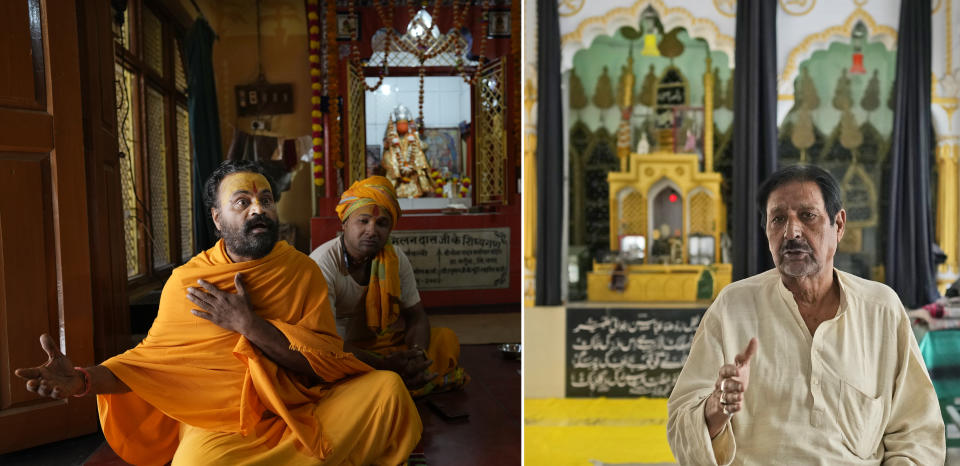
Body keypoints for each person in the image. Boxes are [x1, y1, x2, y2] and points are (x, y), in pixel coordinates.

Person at [14, 160, 421, 465]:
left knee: (387, 392)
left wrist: (249, 325)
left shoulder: (302, 272)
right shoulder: (187, 283)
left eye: (265, 200)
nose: (257, 210)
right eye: (241, 202)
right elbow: (146, 365)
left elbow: (321, 365)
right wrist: (83, 380)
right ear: (217, 218)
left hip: (301, 407)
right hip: (224, 425)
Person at [667, 165, 945, 465]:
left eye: (807, 216)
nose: (792, 231)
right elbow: (680, 426)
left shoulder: (881, 310)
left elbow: (918, 434)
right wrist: (716, 407)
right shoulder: (732, 307)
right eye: (778, 219)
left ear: (838, 225)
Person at [309, 176, 468, 397]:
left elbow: (416, 316)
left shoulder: (394, 258)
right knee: (324, 365)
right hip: (341, 352)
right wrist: (387, 364)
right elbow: (325, 343)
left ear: (390, 228)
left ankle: (400, 381)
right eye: (363, 221)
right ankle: (404, 383)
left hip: (379, 346)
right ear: (344, 224)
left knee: (444, 339)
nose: (372, 230)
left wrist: (416, 355)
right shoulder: (323, 263)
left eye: (381, 223)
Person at [382, 104, 435, 198]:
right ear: (395, 125)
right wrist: (398, 168)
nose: (402, 126)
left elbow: (421, 151)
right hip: (397, 180)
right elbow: (388, 158)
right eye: (400, 124)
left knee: (420, 160)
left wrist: (412, 166)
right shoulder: (392, 141)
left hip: (413, 178)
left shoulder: (414, 138)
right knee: (389, 159)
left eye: (404, 124)